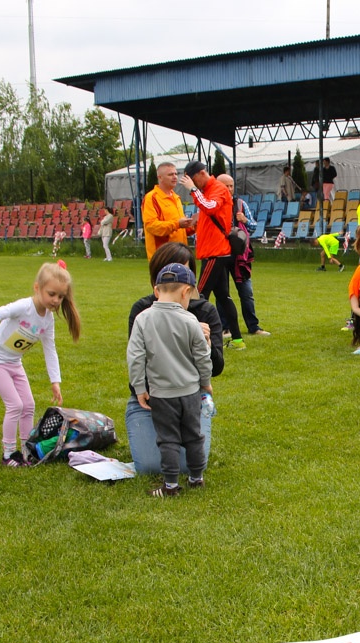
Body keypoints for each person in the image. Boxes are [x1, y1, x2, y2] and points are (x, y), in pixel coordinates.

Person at [0, 262, 80, 466]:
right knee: (15, 405)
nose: (56, 300)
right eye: (51, 294)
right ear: (37, 288)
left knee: (29, 405)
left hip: (14, 362)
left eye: (60, 296)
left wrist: (55, 381)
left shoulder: (48, 320)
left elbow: (50, 349)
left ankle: (26, 450)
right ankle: (8, 454)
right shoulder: (23, 307)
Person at [126, 242, 223, 478]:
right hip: (153, 399)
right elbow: (137, 360)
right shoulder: (143, 312)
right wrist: (141, 390)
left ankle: (179, 459)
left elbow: (216, 366)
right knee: (150, 465)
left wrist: (205, 341)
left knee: (189, 462)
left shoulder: (204, 312)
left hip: (190, 398)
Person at [179, 160, 245, 351]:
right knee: (223, 297)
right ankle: (237, 340)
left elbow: (210, 207)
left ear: (201, 174)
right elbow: (208, 212)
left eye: (193, 180)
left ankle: (195, 339)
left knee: (197, 297)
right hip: (216, 251)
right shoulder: (210, 190)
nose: (193, 184)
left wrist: (193, 190)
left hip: (214, 253)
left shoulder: (217, 188)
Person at [217, 174, 269, 337]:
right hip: (220, 254)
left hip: (240, 256)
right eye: (225, 186)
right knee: (222, 294)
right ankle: (225, 328)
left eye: (231, 186)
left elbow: (254, 227)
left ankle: (254, 326)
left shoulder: (240, 204)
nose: (229, 189)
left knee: (247, 293)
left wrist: (245, 220)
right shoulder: (213, 205)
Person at [141, 163, 192, 263]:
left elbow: (179, 229)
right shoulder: (152, 198)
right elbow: (151, 226)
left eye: (176, 174)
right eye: (170, 174)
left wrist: (192, 225)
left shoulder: (176, 197)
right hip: (163, 256)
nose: (175, 177)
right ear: (160, 177)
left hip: (180, 254)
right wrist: (177, 224)